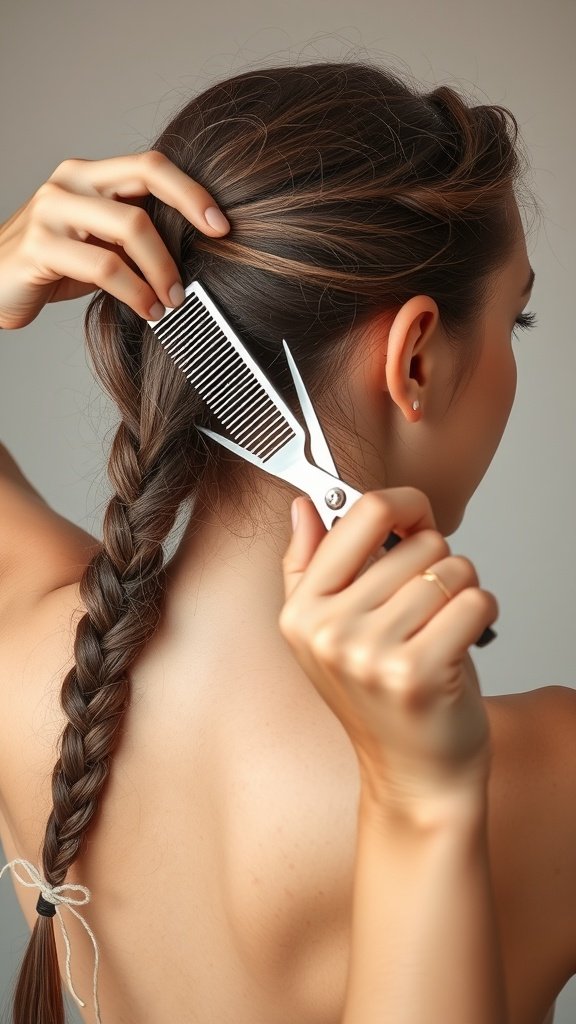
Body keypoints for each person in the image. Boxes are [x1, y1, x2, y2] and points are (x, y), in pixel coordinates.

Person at [0, 59, 572, 1024]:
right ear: (417, 356)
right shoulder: (552, 775)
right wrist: (421, 805)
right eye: (515, 316)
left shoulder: (24, 656)